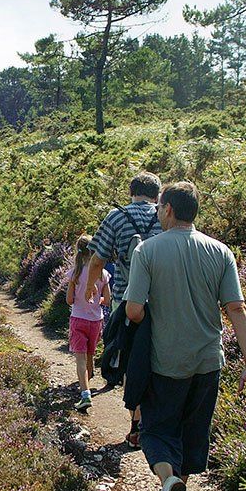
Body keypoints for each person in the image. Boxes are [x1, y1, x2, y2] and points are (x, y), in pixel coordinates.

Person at [123, 181, 246, 491]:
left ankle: (169, 482)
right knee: (191, 431)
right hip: (208, 363)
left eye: (159, 208)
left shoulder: (147, 252)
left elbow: (134, 310)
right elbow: (237, 309)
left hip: (165, 363)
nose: (156, 212)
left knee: (156, 429)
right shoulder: (221, 252)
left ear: (168, 208)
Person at [85, 171, 163, 438]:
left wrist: (89, 289)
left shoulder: (117, 216)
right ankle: (157, 417)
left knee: (132, 359)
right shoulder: (166, 216)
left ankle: (135, 418)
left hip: (126, 299)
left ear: (132, 192)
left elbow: (97, 259)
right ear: (157, 194)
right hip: (162, 301)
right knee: (158, 358)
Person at [66, 235, 111, 411]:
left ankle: (85, 394)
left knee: (80, 358)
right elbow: (107, 300)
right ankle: (88, 381)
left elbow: (69, 300)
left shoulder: (75, 273)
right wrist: (96, 300)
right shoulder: (102, 273)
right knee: (90, 355)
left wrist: (79, 297)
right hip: (96, 320)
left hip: (78, 319)